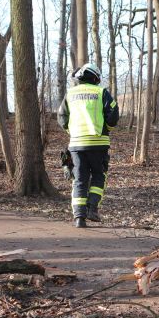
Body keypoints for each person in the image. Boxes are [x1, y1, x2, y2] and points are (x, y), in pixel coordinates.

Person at [58, 63, 119, 228]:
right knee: (99, 176)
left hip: (76, 145)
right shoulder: (101, 92)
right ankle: (92, 208)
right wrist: (106, 129)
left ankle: (79, 217)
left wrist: (73, 132)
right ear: (95, 77)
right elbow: (113, 114)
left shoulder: (70, 94)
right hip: (99, 143)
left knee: (79, 179)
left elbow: (62, 117)